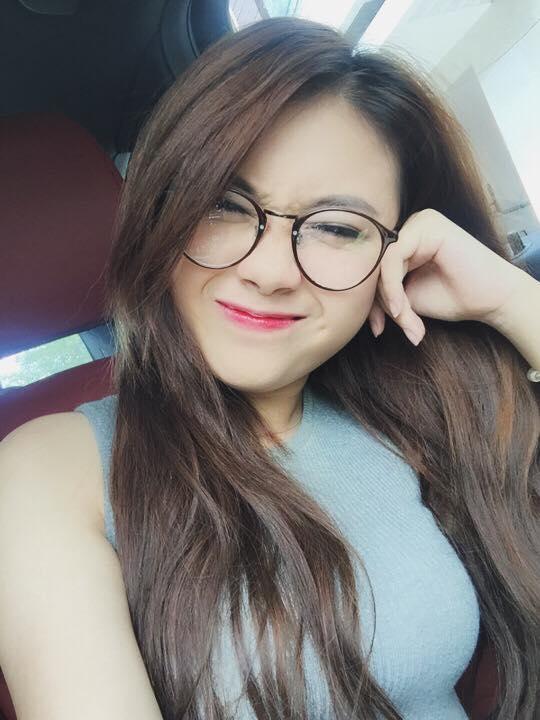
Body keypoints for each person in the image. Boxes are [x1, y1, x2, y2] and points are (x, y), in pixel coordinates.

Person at [0, 15, 538, 720]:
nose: (271, 270)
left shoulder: (412, 404)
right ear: (161, 212)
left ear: (397, 250)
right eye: (225, 204)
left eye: (338, 227)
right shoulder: (49, 470)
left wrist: (513, 302)